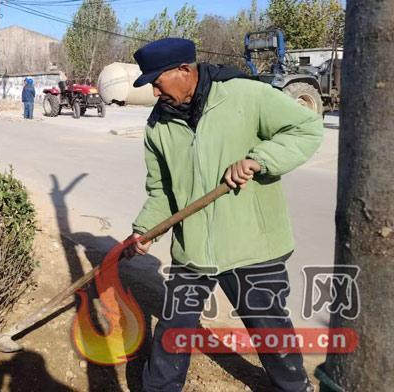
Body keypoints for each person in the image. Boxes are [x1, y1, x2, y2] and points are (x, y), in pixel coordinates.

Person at [125, 38, 323, 392]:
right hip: (195, 247)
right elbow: (162, 190)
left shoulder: (246, 96)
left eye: (157, 82)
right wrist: (145, 229)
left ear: (184, 70)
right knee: (175, 327)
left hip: (252, 244)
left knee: (270, 327)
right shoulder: (158, 126)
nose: (155, 92)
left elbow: (306, 128)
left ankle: (294, 388)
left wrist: (259, 159)